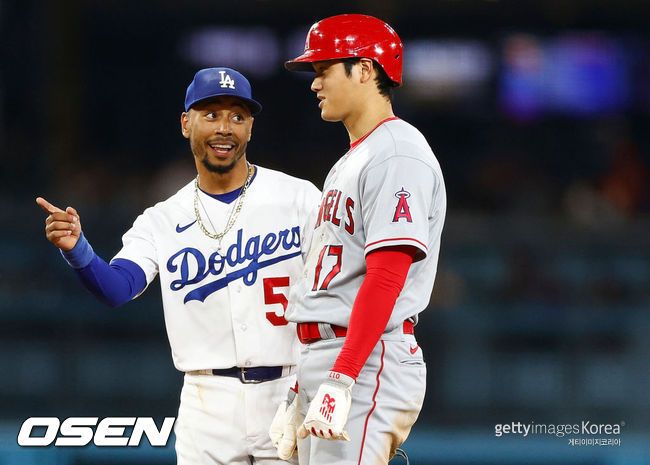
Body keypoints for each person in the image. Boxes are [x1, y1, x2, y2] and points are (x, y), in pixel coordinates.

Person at [36, 67, 321, 465]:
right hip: (208, 404)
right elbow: (119, 288)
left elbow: (336, 289)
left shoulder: (300, 198)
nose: (225, 128)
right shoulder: (162, 219)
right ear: (186, 124)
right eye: (211, 115)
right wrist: (79, 250)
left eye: (238, 116)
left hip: (289, 387)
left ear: (251, 128)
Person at [270, 14, 447, 465]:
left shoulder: (397, 154)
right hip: (331, 354)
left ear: (366, 70)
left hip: (366, 361)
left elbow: (386, 277)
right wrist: (301, 383)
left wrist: (342, 377)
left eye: (325, 69)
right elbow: (331, 281)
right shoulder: (357, 157)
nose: (315, 83)